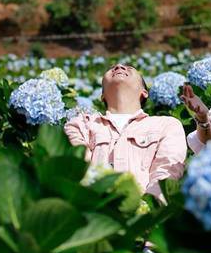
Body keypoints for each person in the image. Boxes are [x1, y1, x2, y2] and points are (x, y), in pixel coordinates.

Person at [65, 62, 187, 200]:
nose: (119, 66)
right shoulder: (82, 124)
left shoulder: (166, 125)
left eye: (129, 68)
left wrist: (149, 206)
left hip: (145, 214)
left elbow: (166, 173)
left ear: (144, 92)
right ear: (102, 95)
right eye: (112, 68)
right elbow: (79, 170)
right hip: (95, 210)